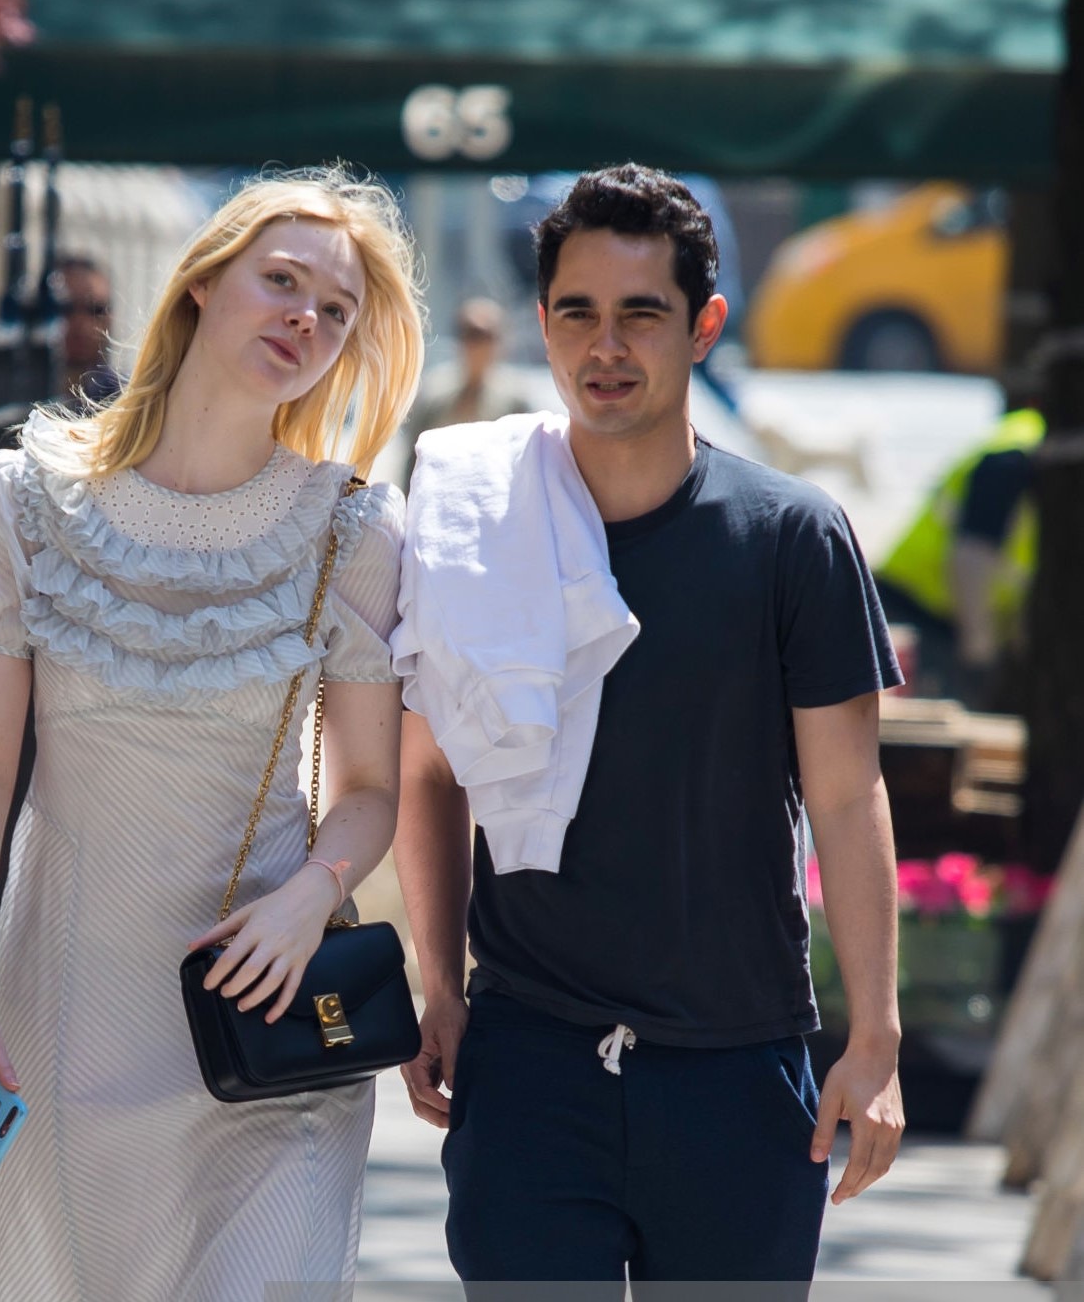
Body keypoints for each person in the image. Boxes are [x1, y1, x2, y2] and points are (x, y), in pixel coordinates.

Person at [391, 164, 905, 1289]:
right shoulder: (482, 520)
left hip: (737, 1065)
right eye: (576, 312)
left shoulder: (790, 539)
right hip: (528, 1062)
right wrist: (440, 984)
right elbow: (426, 773)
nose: (604, 346)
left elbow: (844, 791)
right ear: (541, 321)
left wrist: (873, 1040)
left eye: (640, 314)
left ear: (703, 325)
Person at [0, 165, 425, 1301]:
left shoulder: (351, 530)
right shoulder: (23, 506)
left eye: (334, 311)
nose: (305, 318)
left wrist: (311, 896)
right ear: (202, 286)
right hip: (71, 1018)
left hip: (270, 1020)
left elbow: (370, 790)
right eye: (281, 281)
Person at [874, 403, 1043, 711]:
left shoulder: (1035, 446)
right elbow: (971, 558)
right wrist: (980, 649)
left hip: (953, 619)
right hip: (916, 609)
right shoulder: (1016, 454)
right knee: (922, 732)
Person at [397, 297, 529, 490]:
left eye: (486, 337)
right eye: (472, 335)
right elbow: (413, 460)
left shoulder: (515, 401)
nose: (478, 347)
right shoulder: (435, 395)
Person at [56, 253, 124, 404]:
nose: (81, 322)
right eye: (66, 309)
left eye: (96, 310)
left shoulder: (127, 400)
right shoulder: (17, 393)